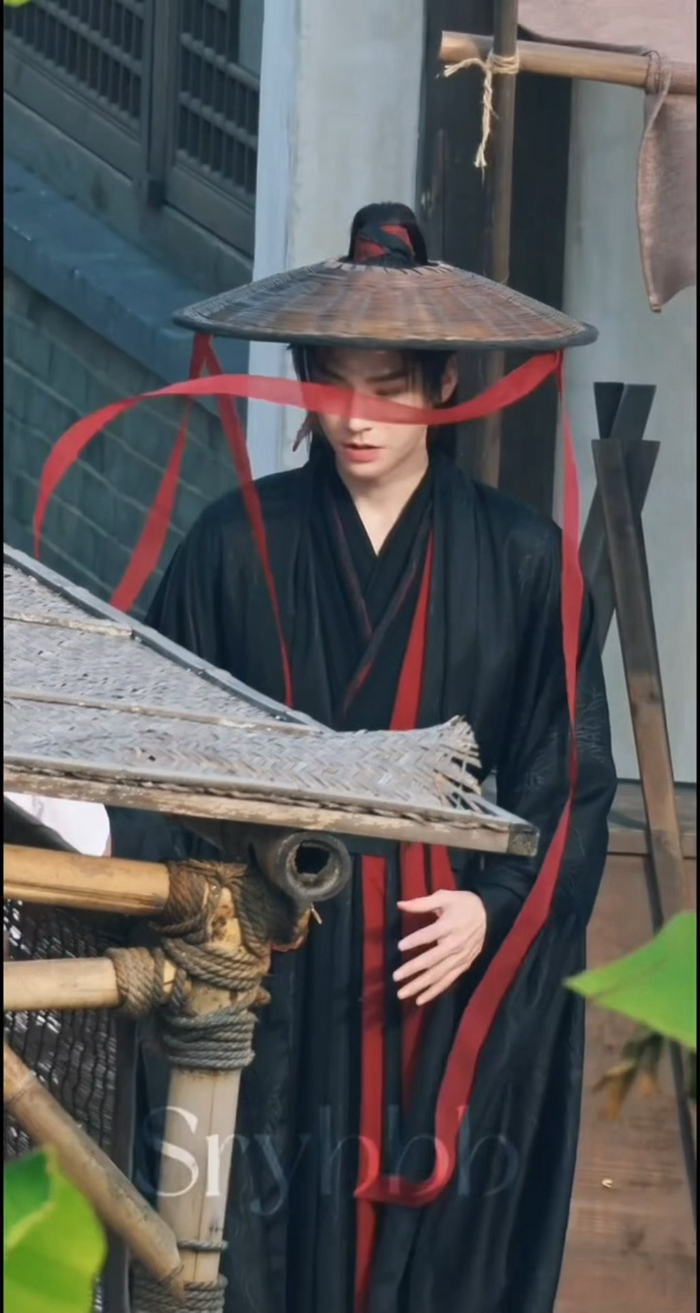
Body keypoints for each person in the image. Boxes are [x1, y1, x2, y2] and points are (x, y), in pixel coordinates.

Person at [124, 203, 616, 1313]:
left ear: (442, 384)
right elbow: (156, 743)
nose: (356, 417)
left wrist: (493, 907)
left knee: (436, 1254)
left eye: (389, 386)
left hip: (432, 957)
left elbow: (572, 770)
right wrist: (210, 910)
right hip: (269, 950)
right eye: (333, 384)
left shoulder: (524, 560)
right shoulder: (236, 542)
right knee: (247, 1240)